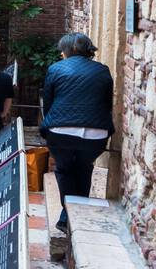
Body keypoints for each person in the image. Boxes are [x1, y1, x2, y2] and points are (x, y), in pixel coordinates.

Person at [41, 32, 114, 231]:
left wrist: (48, 126)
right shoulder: (102, 70)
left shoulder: (56, 69)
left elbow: (48, 102)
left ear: (68, 50)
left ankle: (67, 216)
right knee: (84, 167)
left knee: (64, 169)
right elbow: (106, 103)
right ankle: (77, 214)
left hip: (60, 131)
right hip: (96, 134)